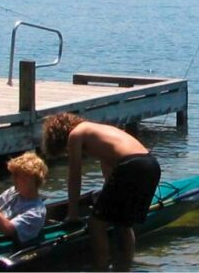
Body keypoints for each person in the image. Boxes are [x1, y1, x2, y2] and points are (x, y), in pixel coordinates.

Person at [41, 113, 162, 271]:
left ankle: (101, 267)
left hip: (131, 165)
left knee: (96, 224)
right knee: (124, 223)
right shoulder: (99, 131)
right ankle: (125, 267)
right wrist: (107, 201)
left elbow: (74, 176)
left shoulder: (76, 134)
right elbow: (109, 172)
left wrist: (73, 214)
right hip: (151, 165)